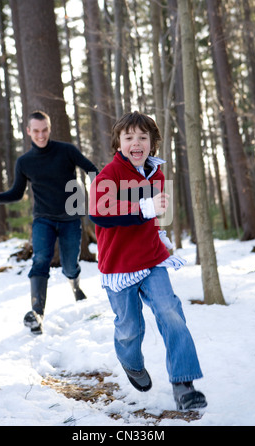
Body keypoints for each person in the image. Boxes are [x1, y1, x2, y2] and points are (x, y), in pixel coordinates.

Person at [89, 111, 207, 411]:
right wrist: (144, 206)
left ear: (153, 142)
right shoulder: (110, 174)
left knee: (171, 313)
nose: (136, 143)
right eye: (129, 137)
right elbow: (98, 211)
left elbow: (156, 214)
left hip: (152, 259)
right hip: (118, 265)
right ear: (118, 142)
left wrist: (161, 233)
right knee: (129, 328)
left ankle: (184, 384)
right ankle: (131, 362)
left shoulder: (157, 173)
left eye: (143, 137)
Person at [0, 110, 98, 335]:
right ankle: (37, 314)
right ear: (29, 131)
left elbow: (91, 170)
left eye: (44, 130)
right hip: (43, 219)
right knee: (40, 260)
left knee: (70, 265)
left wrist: (101, 189)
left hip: (70, 218)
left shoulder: (66, 151)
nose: (41, 135)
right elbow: (17, 193)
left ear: (49, 129)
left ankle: (75, 285)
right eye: (36, 131)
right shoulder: (25, 162)